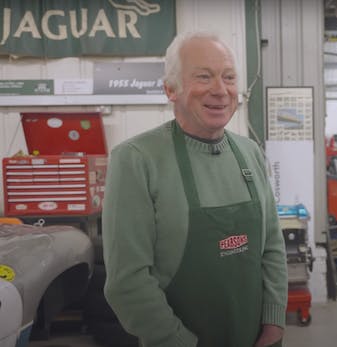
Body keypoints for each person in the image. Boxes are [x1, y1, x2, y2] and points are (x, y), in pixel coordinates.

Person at [102, 31, 287, 347]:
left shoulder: (250, 152)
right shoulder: (136, 160)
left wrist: (273, 320)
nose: (220, 90)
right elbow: (127, 281)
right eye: (204, 77)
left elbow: (271, 244)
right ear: (170, 89)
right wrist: (179, 341)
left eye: (228, 77)